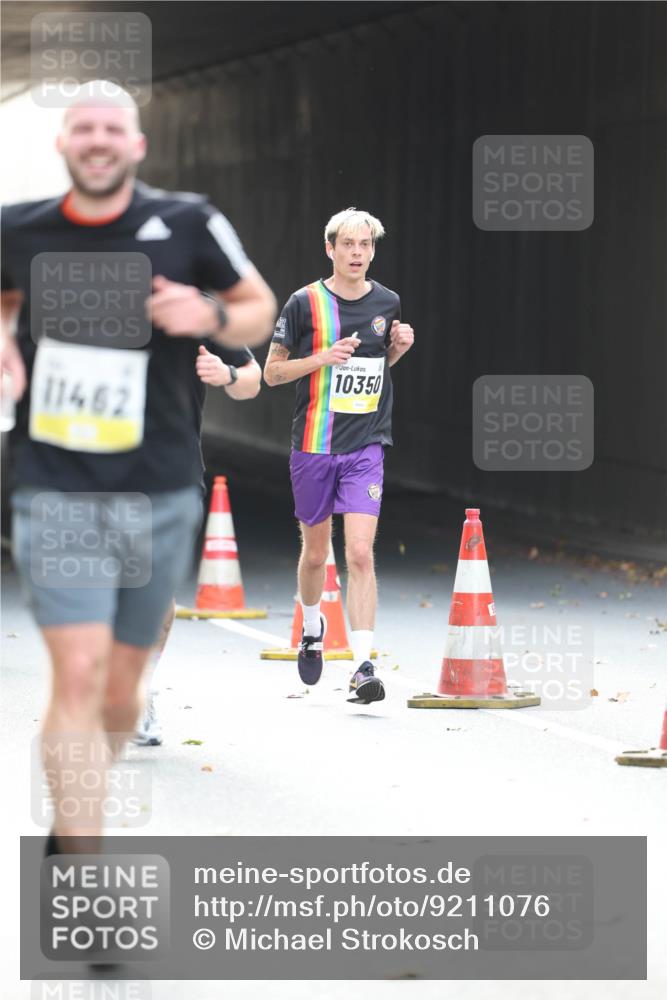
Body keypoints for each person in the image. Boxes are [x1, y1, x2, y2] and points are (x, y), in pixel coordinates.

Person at [0, 81, 276, 849]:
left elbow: (256, 304)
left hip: (157, 484)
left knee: (121, 691)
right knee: (80, 672)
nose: (96, 139)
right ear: (63, 142)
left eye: (111, 128)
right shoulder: (18, 229)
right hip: (52, 482)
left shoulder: (188, 221)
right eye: (81, 126)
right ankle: (82, 863)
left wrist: (212, 316)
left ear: (136, 144)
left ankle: (74, 814)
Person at [263, 207, 414, 703]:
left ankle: (364, 665)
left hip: (366, 443)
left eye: (365, 245)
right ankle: (312, 627)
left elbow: (379, 363)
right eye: (348, 244)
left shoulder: (388, 301)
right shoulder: (305, 303)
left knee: (360, 553)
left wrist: (398, 349)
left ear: (373, 250)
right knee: (315, 552)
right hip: (313, 444)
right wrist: (321, 358)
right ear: (330, 249)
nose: (357, 253)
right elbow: (272, 373)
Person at [134, 341, 262, 746]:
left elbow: (252, 379)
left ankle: (140, 690)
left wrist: (227, 375)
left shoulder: (198, 309)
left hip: (173, 471)